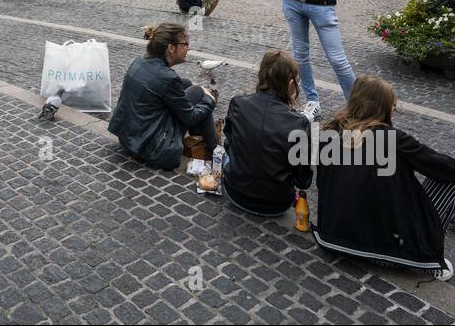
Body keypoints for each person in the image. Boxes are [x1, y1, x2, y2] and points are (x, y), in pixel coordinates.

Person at [312, 76, 455, 280]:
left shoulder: (330, 131)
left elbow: (322, 183)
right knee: (451, 185)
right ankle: (429, 258)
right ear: (385, 108)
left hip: (331, 238)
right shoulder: (394, 138)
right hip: (388, 252)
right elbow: (454, 171)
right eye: (393, 105)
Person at [108, 23, 217, 170]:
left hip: (129, 138)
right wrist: (209, 99)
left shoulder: (138, 61)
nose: (188, 48)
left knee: (186, 83)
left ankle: (203, 143)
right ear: (171, 48)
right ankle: (215, 150)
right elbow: (190, 117)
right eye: (185, 44)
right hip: (153, 148)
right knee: (198, 92)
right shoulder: (168, 78)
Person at [221, 51, 312, 218]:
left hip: (235, 192)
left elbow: (229, 144)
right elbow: (303, 180)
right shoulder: (299, 123)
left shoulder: (238, 103)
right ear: (291, 83)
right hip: (276, 203)